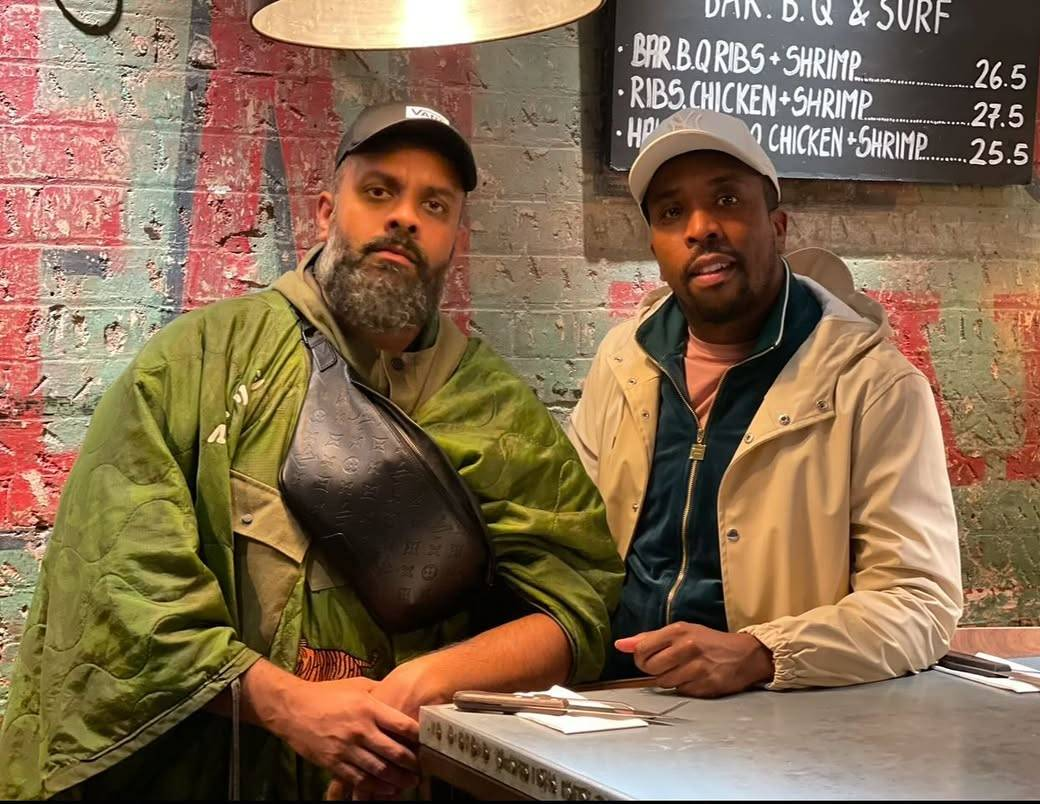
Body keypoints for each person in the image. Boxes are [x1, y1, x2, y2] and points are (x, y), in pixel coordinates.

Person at [0, 102, 623, 800]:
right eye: (379, 191)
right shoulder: (197, 367)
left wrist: (421, 687)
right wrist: (289, 706)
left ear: (453, 237)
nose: (405, 218)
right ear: (326, 212)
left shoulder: (497, 411)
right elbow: (126, 588)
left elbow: (576, 604)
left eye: (434, 204)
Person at [568, 108, 962, 697]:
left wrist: (761, 653)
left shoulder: (872, 384)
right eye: (673, 212)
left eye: (726, 201)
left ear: (777, 226)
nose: (700, 227)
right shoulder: (624, 359)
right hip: (611, 702)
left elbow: (920, 605)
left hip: (769, 715)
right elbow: (573, 538)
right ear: (655, 245)